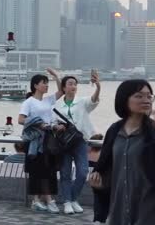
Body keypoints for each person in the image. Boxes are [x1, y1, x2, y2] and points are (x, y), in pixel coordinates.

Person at [90, 79, 155, 224]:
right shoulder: (114, 131)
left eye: (149, 96)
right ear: (124, 99)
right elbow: (110, 171)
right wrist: (100, 185)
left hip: (149, 213)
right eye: (139, 96)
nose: (146, 100)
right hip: (118, 213)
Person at [53, 72, 101, 214]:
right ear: (64, 87)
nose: (74, 86)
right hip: (64, 142)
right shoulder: (57, 104)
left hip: (80, 141)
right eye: (70, 84)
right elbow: (53, 122)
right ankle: (67, 202)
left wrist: (98, 86)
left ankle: (73, 198)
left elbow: (94, 100)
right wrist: (57, 126)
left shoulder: (82, 102)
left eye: (75, 84)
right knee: (65, 173)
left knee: (82, 172)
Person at [18, 69, 64, 213]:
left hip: (49, 139)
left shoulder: (48, 100)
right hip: (35, 141)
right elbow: (21, 119)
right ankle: (46, 200)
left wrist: (57, 76)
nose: (46, 85)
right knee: (39, 170)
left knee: (48, 169)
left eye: (47, 83)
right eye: (44, 83)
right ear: (35, 85)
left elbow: (61, 92)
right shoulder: (29, 102)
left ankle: (38, 200)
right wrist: (38, 123)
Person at [87, 134, 107, 225]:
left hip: (98, 175)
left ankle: (99, 218)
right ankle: (100, 218)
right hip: (99, 174)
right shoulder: (97, 152)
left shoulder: (89, 151)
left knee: (99, 196)